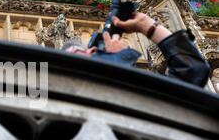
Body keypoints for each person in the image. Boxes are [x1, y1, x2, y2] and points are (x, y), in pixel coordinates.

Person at [63, 12, 211, 87]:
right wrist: (115, 60)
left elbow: (192, 71)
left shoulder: (139, 92)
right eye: (79, 53)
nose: (92, 49)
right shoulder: (50, 94)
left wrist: (147, 26)